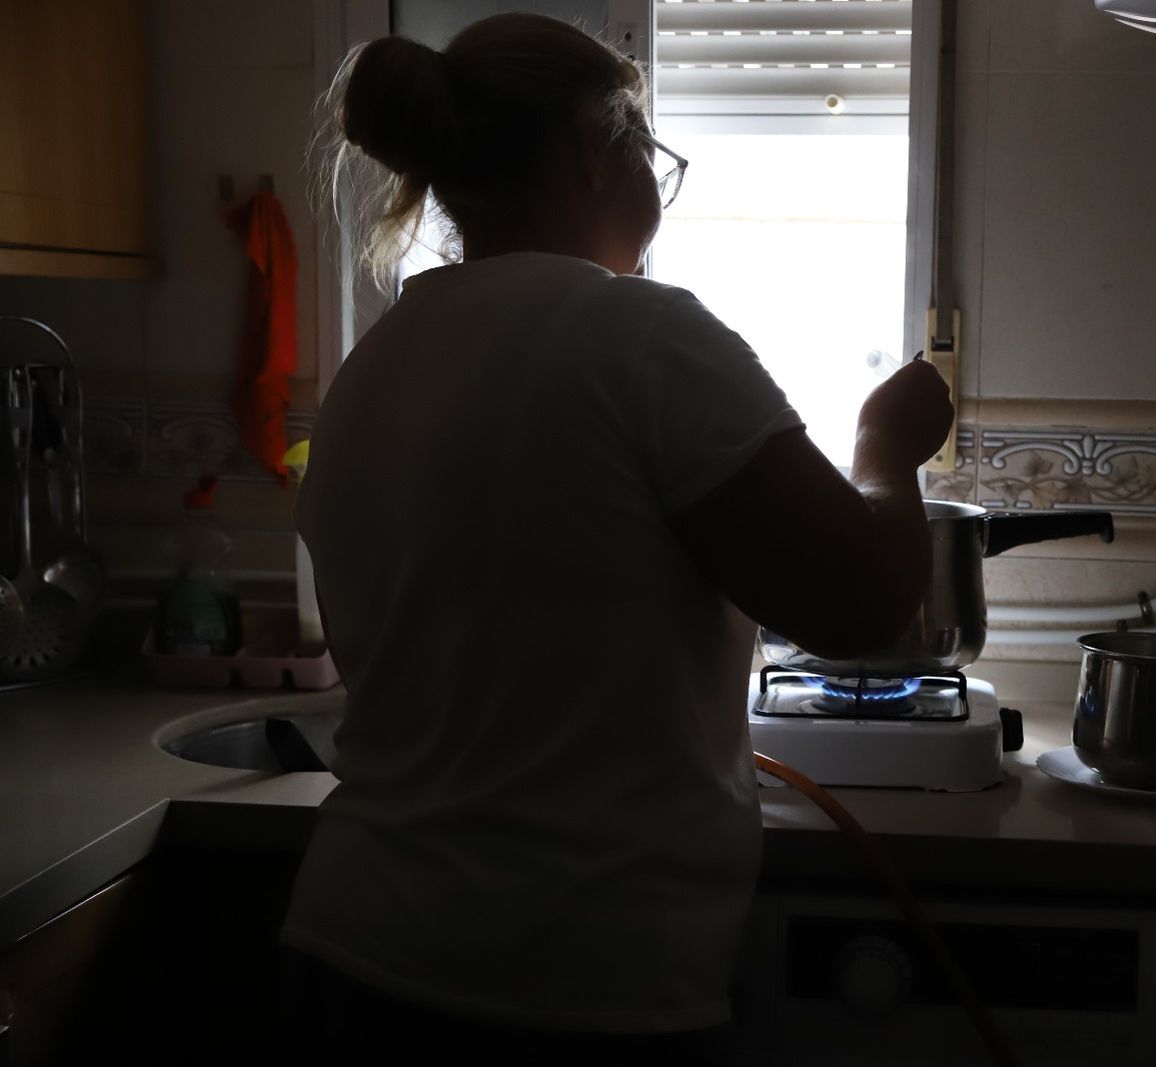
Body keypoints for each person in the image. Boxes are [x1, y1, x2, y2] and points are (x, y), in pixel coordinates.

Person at [283, 12, 952, 1065]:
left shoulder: (374, 366)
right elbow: (864, 605)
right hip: (574, 980)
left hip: (358, 946)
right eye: (654, 154)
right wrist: (887, 448)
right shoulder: (638, 333)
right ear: (598, 146)